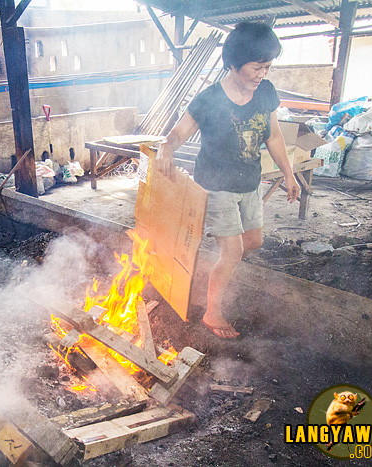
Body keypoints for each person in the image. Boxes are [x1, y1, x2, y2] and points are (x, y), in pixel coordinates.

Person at [156, 22, 299, 338]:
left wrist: (289, 174)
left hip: (249, 183)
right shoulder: (209, 99)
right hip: (216, 185)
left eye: (267, 67)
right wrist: (166, 146)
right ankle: (212, 312)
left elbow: (274, 136)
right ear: (233, 64)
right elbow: (180, 131)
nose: (261, 74)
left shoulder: (266, 93)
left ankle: (215, 267)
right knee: (233, 251)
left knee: (254, 241)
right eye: (256, 67)